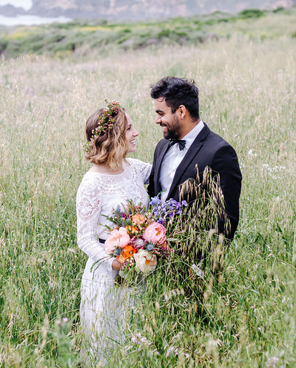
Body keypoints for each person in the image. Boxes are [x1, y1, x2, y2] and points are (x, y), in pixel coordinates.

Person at [75, 100, 151, 363]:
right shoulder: (92, 182)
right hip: (108, 276)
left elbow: (170, 177)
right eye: (129, 128)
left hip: (141, 270)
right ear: (114, 137)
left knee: (137, 345)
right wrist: (115, 263)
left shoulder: (135, 168)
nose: (136, 133)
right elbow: (84, 238)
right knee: (108, 348)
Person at [147, 76, 242, 242]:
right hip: (154, 257)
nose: (157, 120)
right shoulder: (162, 146)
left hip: (193, 261)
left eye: (161, 114)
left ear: (182, 111)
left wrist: (198, 263)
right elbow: (153, 196)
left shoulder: (219, 152)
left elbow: (226, 220)